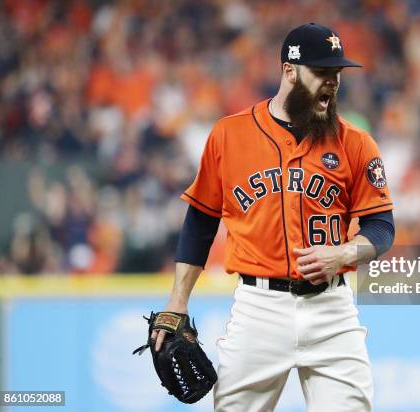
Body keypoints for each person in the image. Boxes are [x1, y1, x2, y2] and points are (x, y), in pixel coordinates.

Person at [152, 23, 395, 411]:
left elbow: (382, 227)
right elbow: (200, 222)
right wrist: (178, 300)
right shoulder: (229, 135)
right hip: (258, 309)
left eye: (337, 75)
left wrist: (346, 254)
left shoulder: (355, 142)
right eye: (322, 73)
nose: (332, 84)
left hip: (331, 309)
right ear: (289, 72)